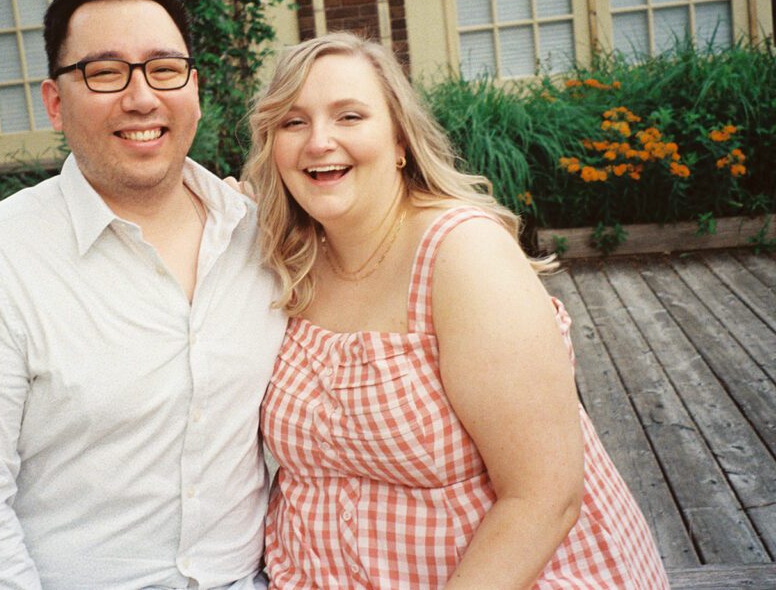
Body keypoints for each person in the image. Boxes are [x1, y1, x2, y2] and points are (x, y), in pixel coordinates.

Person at [244, 32, 668, 588]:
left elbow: (543, 498)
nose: (319, 141)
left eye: (349, 117)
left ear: (400, 141)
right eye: (293, 122)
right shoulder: (286, 258)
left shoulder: (463, 255)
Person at [0, 0, 287, 588]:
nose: (141, 98)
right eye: (104, 72)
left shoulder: (261, 237)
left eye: (164, 68)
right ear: (54, 102)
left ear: (195, 86)